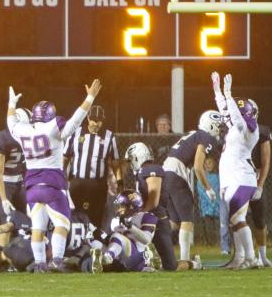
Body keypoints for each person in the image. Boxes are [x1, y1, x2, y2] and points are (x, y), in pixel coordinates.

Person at [7, 80, 103, 273]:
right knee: (62, 223)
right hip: (52, 184)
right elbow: (75, 121)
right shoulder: (53, 127)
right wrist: (90, 98)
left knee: (37, 227)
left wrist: (11, 105)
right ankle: (57, 260)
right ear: (51, 114)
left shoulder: (24, 130)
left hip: (32, 188)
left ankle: (40, 264)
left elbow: (11, 123)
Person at [211, 71, 261, 269]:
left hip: (241, 178)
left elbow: (236, 118)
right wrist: (218, 92)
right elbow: (226, 111)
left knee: (237, 218)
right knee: (235, 220)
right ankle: (240, 258)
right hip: (235, 178)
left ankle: (251, 258)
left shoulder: (250, 129)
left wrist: (229, 94)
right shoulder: (237, 126)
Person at [161, 110, 223, 265]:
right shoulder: (206, 137)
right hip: (176, 174)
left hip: (166, 172)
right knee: (187, 219)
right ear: (211, 125)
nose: (220, 129)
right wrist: (208, 188)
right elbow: (197, 167)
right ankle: (185, 259)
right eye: (218, 126)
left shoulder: (193, 133)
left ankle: (150, 248)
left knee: (174, 222)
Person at [124, 142, 178, 271]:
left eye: (131, 159)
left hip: (157, 220)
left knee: (170, 266)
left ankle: (193, 263)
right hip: (146, 220)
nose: (130, 163)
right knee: (132, 260)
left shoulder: (151, 168)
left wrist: (137, 215)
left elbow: (153, 201)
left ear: (137, 157)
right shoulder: (141, 173)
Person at [65, 104, 119, 228]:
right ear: (88, 118)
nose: (96, 123)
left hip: (98, 184)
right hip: (77, 182)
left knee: (96, 217)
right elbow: (65, 157)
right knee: (75, 214)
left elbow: (115, 161)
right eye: (93, 120)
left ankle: (95, 245)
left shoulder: (109, 136)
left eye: (99, 121)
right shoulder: (76, 133)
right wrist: (62, 177)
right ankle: (77, 242)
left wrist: (119, 181)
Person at [87, 190, 158, 274]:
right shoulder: (117, 220)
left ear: (131, 206)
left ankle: (108, 258)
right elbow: (114, 242)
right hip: (121, 256)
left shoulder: (146, 217)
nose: (119, 208)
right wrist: (100, 235)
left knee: (117, 236)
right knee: (95, 243)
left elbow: (147, 240)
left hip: (138, 255)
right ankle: (107, 263)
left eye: (122, 205)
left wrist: (130, 227)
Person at [0, 108, 30, 247]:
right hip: (6, 184)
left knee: (27, 222)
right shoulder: (2, 138)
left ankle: (23, 255)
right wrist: (3, 199)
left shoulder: (27, 136)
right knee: (7, 223)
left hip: (22, 182)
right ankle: (2, 259)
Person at [248, 100, 272, 267]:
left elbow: (265, 162)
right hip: (237, 177)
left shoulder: (262, 132)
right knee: (237, 219)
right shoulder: (233, 130)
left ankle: (262, 255)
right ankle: (245, 256)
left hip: (253, 176)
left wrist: (259, 185)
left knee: (259, 218)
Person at [196, 155, 221, 246]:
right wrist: (209, 205)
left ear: (214, 164)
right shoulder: (201, 178)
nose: (207, 165)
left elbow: (218, 191)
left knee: (218, 226)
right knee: (208, 227)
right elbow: (201, 193)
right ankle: (211, 244)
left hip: (217, 207)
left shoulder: (218, 177)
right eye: (205, 163)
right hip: (206, 208)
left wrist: (214, 204)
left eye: (210, 163)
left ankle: (220, 243)